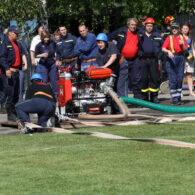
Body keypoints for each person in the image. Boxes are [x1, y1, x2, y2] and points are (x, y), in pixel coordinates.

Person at [108, 18, 142, 99]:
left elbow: (151, 31)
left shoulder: (140, 32)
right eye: (132, 25)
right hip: (122, 60)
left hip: (135, 59)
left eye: (135, 25)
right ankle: (122, 99)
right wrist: (112, 49)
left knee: (136, 79)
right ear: (128, 25)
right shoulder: (121, 32)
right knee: (123, 80)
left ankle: (137, 100)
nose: (134, 27)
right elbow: (109, 37)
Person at [0, 26, 26, 121]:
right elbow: (2, 58)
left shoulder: (17, 44)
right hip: (9, 71)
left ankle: (14, 111)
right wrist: (7, 69)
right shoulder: (5, 44)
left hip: (16, 71)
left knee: (16, 93)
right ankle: (9, 113)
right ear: (10, 33)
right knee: (10, 92)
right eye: (16, 33)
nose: (17, 35)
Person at [162, 22, 188, 105]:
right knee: (173, 79)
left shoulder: (182, 37)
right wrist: (168, 51)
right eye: (173, 28)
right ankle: (174, 99)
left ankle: (178, 98)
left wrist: (182, 44)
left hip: (180, 58)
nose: (174, 30)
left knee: (180, 79)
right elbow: (163, 48)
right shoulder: (169, 38)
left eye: (176, 28)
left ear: (179, 29)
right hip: (172, 58)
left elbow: (185, 49)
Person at [138, 18, 163, 103]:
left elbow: (163, 47)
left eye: (151, 26)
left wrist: (159, 55)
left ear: (153, 26)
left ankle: (154, 97)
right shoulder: (140, 36)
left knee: (154, 78)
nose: (149, 27)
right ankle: (144, 97)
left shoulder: (157, 35)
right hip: (143, 60)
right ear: (145, 26)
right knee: (144, 79)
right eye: (148, 26)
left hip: (153, 60)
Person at [96, 33, 128, 97]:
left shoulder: (111, 45)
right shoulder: (98, 54)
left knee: (120, 87)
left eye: (101, 42)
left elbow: (114, 57)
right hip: (112, 69)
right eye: (98, 43)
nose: (100, 44)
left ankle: (123, 105)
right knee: (112, 87)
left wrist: (105, 66)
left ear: (105, 42)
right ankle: (114, 106)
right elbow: (102, 68)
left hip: (121, 66)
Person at [35, 30, 58, 99]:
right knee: (44, 81)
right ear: (42, 37)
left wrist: (56, 57)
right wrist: (42, 55)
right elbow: (35, 55)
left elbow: (56, 51)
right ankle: (44, 97)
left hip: (52, 64)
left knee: (54, 81)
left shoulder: (52, 43)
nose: (46, 39)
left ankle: (55, 97)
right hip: (43, 65)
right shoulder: (39, 45)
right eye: (45, 37)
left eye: (47, 37)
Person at [181, 23, 195, 96]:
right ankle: (180, 92)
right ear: (181, 29)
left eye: (186, 29)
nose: (185, 30)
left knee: (189, 75)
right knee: (181, 74)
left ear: (188, 29)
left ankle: (191, 91)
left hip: (189, 57)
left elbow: (192, 47)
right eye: (184, 28)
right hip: (181, 57)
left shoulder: (190, 37)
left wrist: (194, 55)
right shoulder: (179, 37)